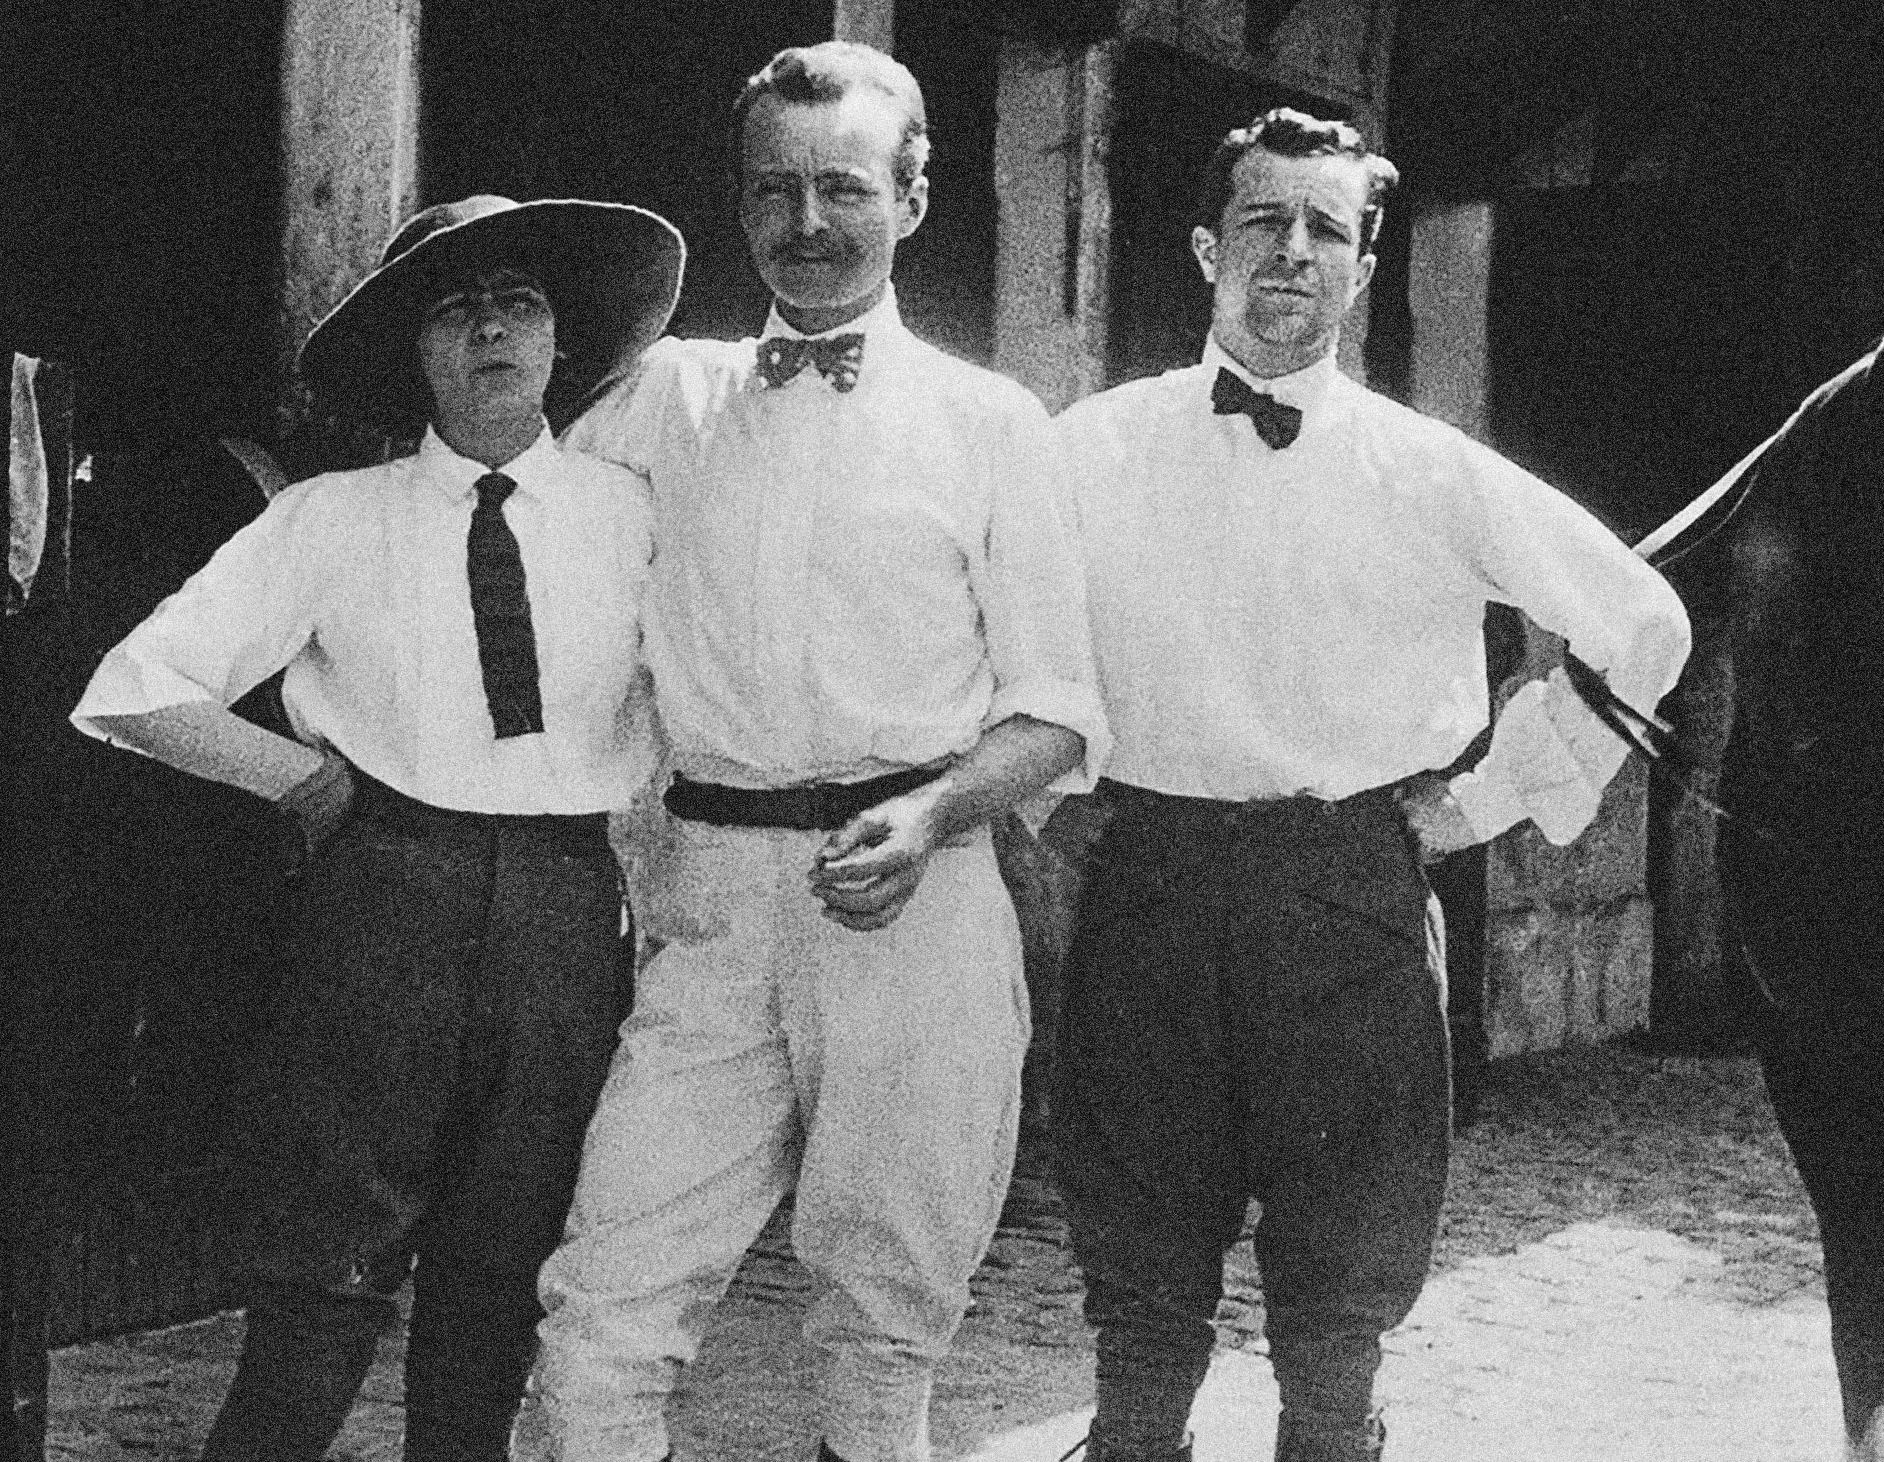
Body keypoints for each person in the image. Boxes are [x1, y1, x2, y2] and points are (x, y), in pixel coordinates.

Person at [1049, 109, 1692, 1462]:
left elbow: (1644, 622)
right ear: (1204, 249)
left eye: (1324, 229)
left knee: (1343, 1281)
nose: (1292, 250)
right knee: (1140, 1263)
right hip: (1148, 882)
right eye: (1262, 220)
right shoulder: (1085, 449)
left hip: (1349, 893)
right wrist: (1041, 800)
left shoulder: (1431, 470)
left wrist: (1485, 802)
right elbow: (981, 632)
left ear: (1362, 267)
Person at [520, 40, 1105, 1462]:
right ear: (738, 205)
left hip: (917, 900)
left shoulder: (990, 424)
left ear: (913, 196)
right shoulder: (660, 396)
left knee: (881, 1338)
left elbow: (1056, 710)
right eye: (773, 189)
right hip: (708, 904)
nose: (806, 220)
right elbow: (518, 535)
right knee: (602, 1315)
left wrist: (933, 813)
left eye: (843, 186)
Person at [68, 193, 684, 1462]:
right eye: (453, 309)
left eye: (518, 301)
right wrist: (298, 779)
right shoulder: (331, 517)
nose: (490, 330)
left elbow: (703, 704)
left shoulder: (635, 515)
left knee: (501, 1269)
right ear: (414, 349)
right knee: (323, 1271)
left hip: (566, 912)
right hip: (385, 904)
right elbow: (134, 688)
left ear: (561, 336)